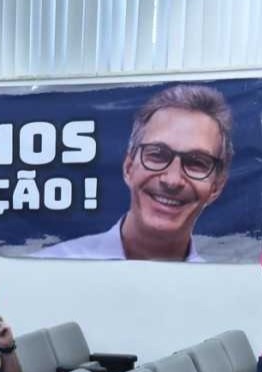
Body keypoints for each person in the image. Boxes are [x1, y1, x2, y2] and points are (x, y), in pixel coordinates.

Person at [36, 84, 231, 262]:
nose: (172, 180)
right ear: (129, 167)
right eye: (157, 155)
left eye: (196, 163)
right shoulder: (52, 265)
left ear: (217, 186)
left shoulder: (226, 291)